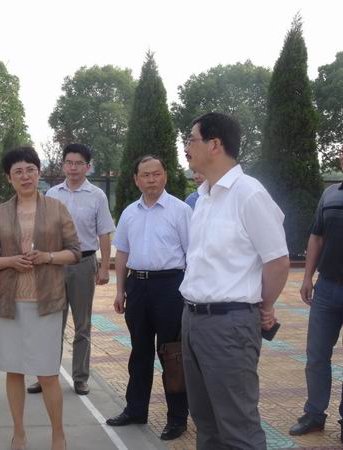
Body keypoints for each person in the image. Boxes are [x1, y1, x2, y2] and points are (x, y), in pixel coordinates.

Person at [180, 112, 290, 449]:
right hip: (193, 320)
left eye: (191, 139)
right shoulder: (204, 196)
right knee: (205, 422)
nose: (186, 147)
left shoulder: (249, 194)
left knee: (238, 427)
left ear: (214, 144)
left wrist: (265, 306)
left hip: (229, 325)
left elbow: (278, 260)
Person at [0, 146, 80, 450]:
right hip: (10, 304)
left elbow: (75, 252)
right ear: (9, 178)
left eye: (31, 170)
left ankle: (58, 434)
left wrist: (47, 256)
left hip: (46, 302)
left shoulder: (57, 209)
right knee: (15, 370)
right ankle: (19, 432)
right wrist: (10, 261)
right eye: (18, 172)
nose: (25, 176)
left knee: (47, 373)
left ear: (39, 173)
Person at [106, 155, 190, 441]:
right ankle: (135, 409)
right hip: (137, 287)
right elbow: (122, 253)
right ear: (136, 179)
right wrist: (120, 290)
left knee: (172, 354)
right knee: (139, 352)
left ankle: (177, 418)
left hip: (171, 287)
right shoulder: (130, 212)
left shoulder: (180, 211)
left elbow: (192, 254)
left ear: (165, 175)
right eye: (145, 175)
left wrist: (187, 293)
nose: (151, 179)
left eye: (156, 173)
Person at [27, 143, 114, 397]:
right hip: (54, 264)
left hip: (84, 264)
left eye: (78, 163)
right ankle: (46, 376)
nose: (73, 168)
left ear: (88, 167)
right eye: (69, 163)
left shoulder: (97, 196)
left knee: (82, 325)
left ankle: (80, 377)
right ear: (63, 165)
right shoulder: (52, 194)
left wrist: (104, 267)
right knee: (51, 323)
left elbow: (104, 232)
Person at [289, 148, 343, 441]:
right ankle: (314, 414)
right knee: (316, 355)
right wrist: (308, 276)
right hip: (327, 288)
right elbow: (316, 236)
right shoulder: (330, 195)